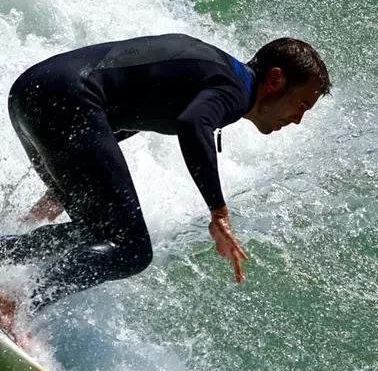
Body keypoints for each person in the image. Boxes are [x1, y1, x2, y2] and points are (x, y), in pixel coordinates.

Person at [0, 33, 331, 339]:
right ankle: (15, 303)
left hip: (36, 92)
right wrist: (219, 213)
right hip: (68, 99)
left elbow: (127, 113)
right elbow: (193, 124)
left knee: (98, 233)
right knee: (131, 249)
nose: (297, 119)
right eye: (301, 105)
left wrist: (61, 190)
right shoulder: (236, 88)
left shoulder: (218, 74)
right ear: (275, 79)